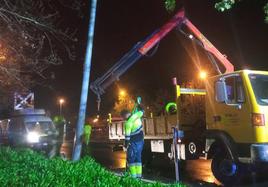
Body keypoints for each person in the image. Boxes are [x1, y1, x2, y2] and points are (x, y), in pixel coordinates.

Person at [121, 107, 144, 178]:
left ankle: (133, 177)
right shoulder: (136, 115)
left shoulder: (128, 124)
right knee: (138, 158)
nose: (123, 119)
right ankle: (139, 176)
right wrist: (139, 106)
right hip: (141, 141)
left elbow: (127, 137)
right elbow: (142, 111)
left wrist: (125, 146)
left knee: (131, 160)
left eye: (122, 117)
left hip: (133, 143)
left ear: (124, 116)